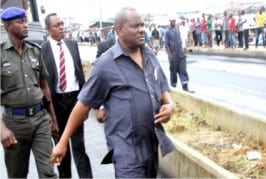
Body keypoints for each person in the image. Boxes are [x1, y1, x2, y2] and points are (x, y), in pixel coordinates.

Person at [50, 7, 175, 178]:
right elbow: (83, 105)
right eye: (135, 26)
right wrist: (63, 142)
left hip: (151, 146)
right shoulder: (105, 65)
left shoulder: (149, 54)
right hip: (126, 153)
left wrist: (170, 105)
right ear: (119, 30)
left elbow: (162, 85)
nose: (141, 30)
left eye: (142, 25)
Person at [0, 7, 58, 178]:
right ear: (8, 26)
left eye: (25, 21)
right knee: (17, 174)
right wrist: (2, 129)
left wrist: (53, 120)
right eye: (20, 22)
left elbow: (44, 86)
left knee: (49, 172)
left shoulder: (35, 50)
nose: (26, 25)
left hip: (40, 119)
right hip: (14, 124)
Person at [41, 13, 93, 178]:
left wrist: (85, 101)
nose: (62, 27)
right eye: (57, 25)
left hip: (75, 101)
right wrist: (48, 113)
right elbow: (42, 82)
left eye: (62, 23)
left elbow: (79, 73)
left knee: (79, 146)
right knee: (61, 146)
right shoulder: (42, 50)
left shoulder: (72, 44)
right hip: (56, 104)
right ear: (48, 28)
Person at [165, 16, 194, 93]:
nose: (173, 22)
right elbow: (167, 45)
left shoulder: (177, 30)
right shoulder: (167, 32)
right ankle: (173, 88)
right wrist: (170, 56)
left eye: (174, 20)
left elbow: (180, 42)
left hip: (180, 53)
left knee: (183, 69)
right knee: (173, 71)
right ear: (170, 21)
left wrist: (183, 52)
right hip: (173, 54)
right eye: (172, 20)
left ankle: (185, 87)